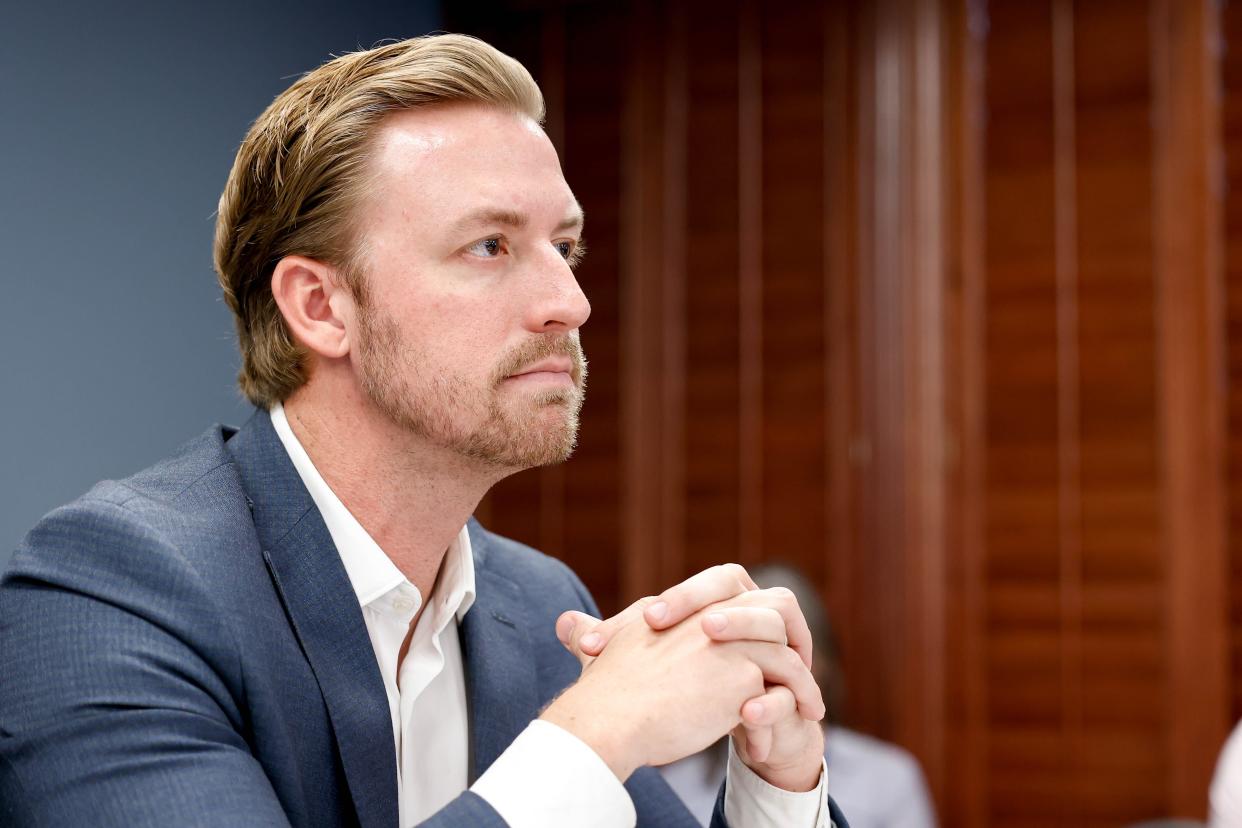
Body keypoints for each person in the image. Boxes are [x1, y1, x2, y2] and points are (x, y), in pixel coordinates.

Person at [0, 35, 848, 828]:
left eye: (565, 245)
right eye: (489, 245)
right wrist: (595, 733)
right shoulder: (110, 594)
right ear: (320, 306)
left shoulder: (541, 604)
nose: (572, 302)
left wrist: (779, 783)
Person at [660, 564, 934, 828]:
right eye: (749, 649)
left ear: (824, 660)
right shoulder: (672, 789)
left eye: (785, 647)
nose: (768, 670)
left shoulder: (889, 779)